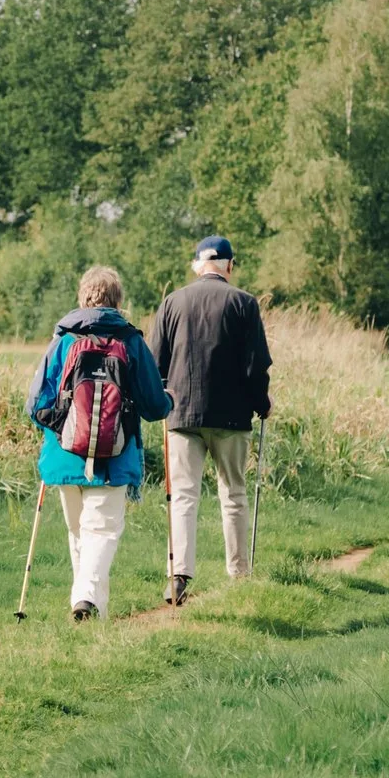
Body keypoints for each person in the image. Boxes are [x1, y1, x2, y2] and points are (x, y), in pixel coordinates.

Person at [25, 264, 173, 621]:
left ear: (82, 296)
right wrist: (167, 399)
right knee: (101, 530)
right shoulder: (131, 341)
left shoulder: (62, 341)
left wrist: (61, 426)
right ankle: (88, 600)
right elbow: (154, 407)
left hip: (65, 457)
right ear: (118, 301)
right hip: (115, 457)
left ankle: (89, 605)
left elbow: (34, 406)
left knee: (80, 532)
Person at [149, 234, 273, 606]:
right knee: (233, 494)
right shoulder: (244, 303)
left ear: (196, 266)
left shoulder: (172, 302)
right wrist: (261, 402)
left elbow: (156, 364)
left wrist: (161, 401)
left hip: (182, 414)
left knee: (183, 496)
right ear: (229, 266)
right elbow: (256, 365)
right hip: (232, 417)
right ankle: (239, 574)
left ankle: (179, 576)